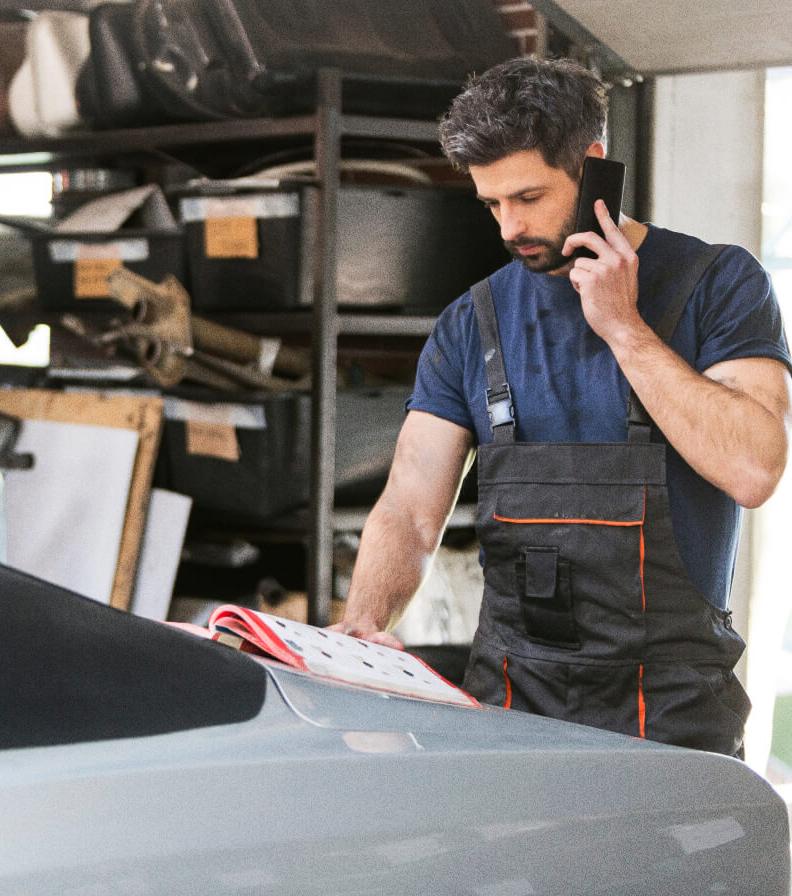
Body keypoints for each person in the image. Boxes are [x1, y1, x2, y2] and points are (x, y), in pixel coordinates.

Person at [333, 55, 792, 756]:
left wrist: (624, 329)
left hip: (670, 719)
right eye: (492, 203)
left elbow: (753, 470)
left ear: (595, 164)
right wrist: (362, 627)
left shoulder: (720, 285)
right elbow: (407, 506)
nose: (508, 227)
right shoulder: (472, 322)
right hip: (511, 708)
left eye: (529, 196)